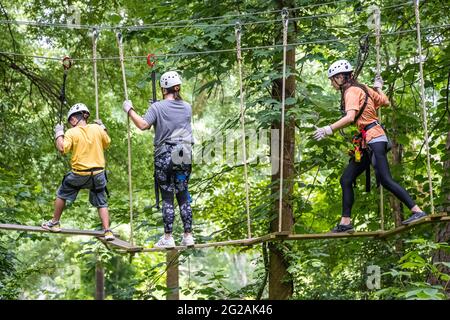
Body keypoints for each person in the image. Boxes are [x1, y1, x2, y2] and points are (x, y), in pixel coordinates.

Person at [313, 59, 427, 233]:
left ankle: (417, 210)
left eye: (332, 79)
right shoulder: (364, 88)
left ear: (341, 77)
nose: (332, 83)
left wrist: (328, 129)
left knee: (386, 180)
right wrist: (378, 87)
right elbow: (385, 102)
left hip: (374, 139)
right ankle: (345, 222)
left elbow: (350, 117)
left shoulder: (351, 91)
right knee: (346, 179)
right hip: (368, 142)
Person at [123, 71, 194, 247]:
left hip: (165, 156)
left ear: (163, 89)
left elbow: (143, 125)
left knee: (168, 197)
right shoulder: (187, 107)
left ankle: (168, 237)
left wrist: (129, 110)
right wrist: (158, 107)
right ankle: (188, 235)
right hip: (184, 154)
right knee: (183, 194)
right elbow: (173, 117)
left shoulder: (157, 108)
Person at [42, 103, 115, 241]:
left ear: (77, 118)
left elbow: (62, 149)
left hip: (80, 174)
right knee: (101, 200)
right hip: (98, 174)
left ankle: (55, 222)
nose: (71, 123)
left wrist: (59, 133)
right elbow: (107, 143)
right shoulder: (97, 129)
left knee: (62, 193)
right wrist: (103, 127)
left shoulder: (71, 132)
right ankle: (107, 231)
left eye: (71, 120)